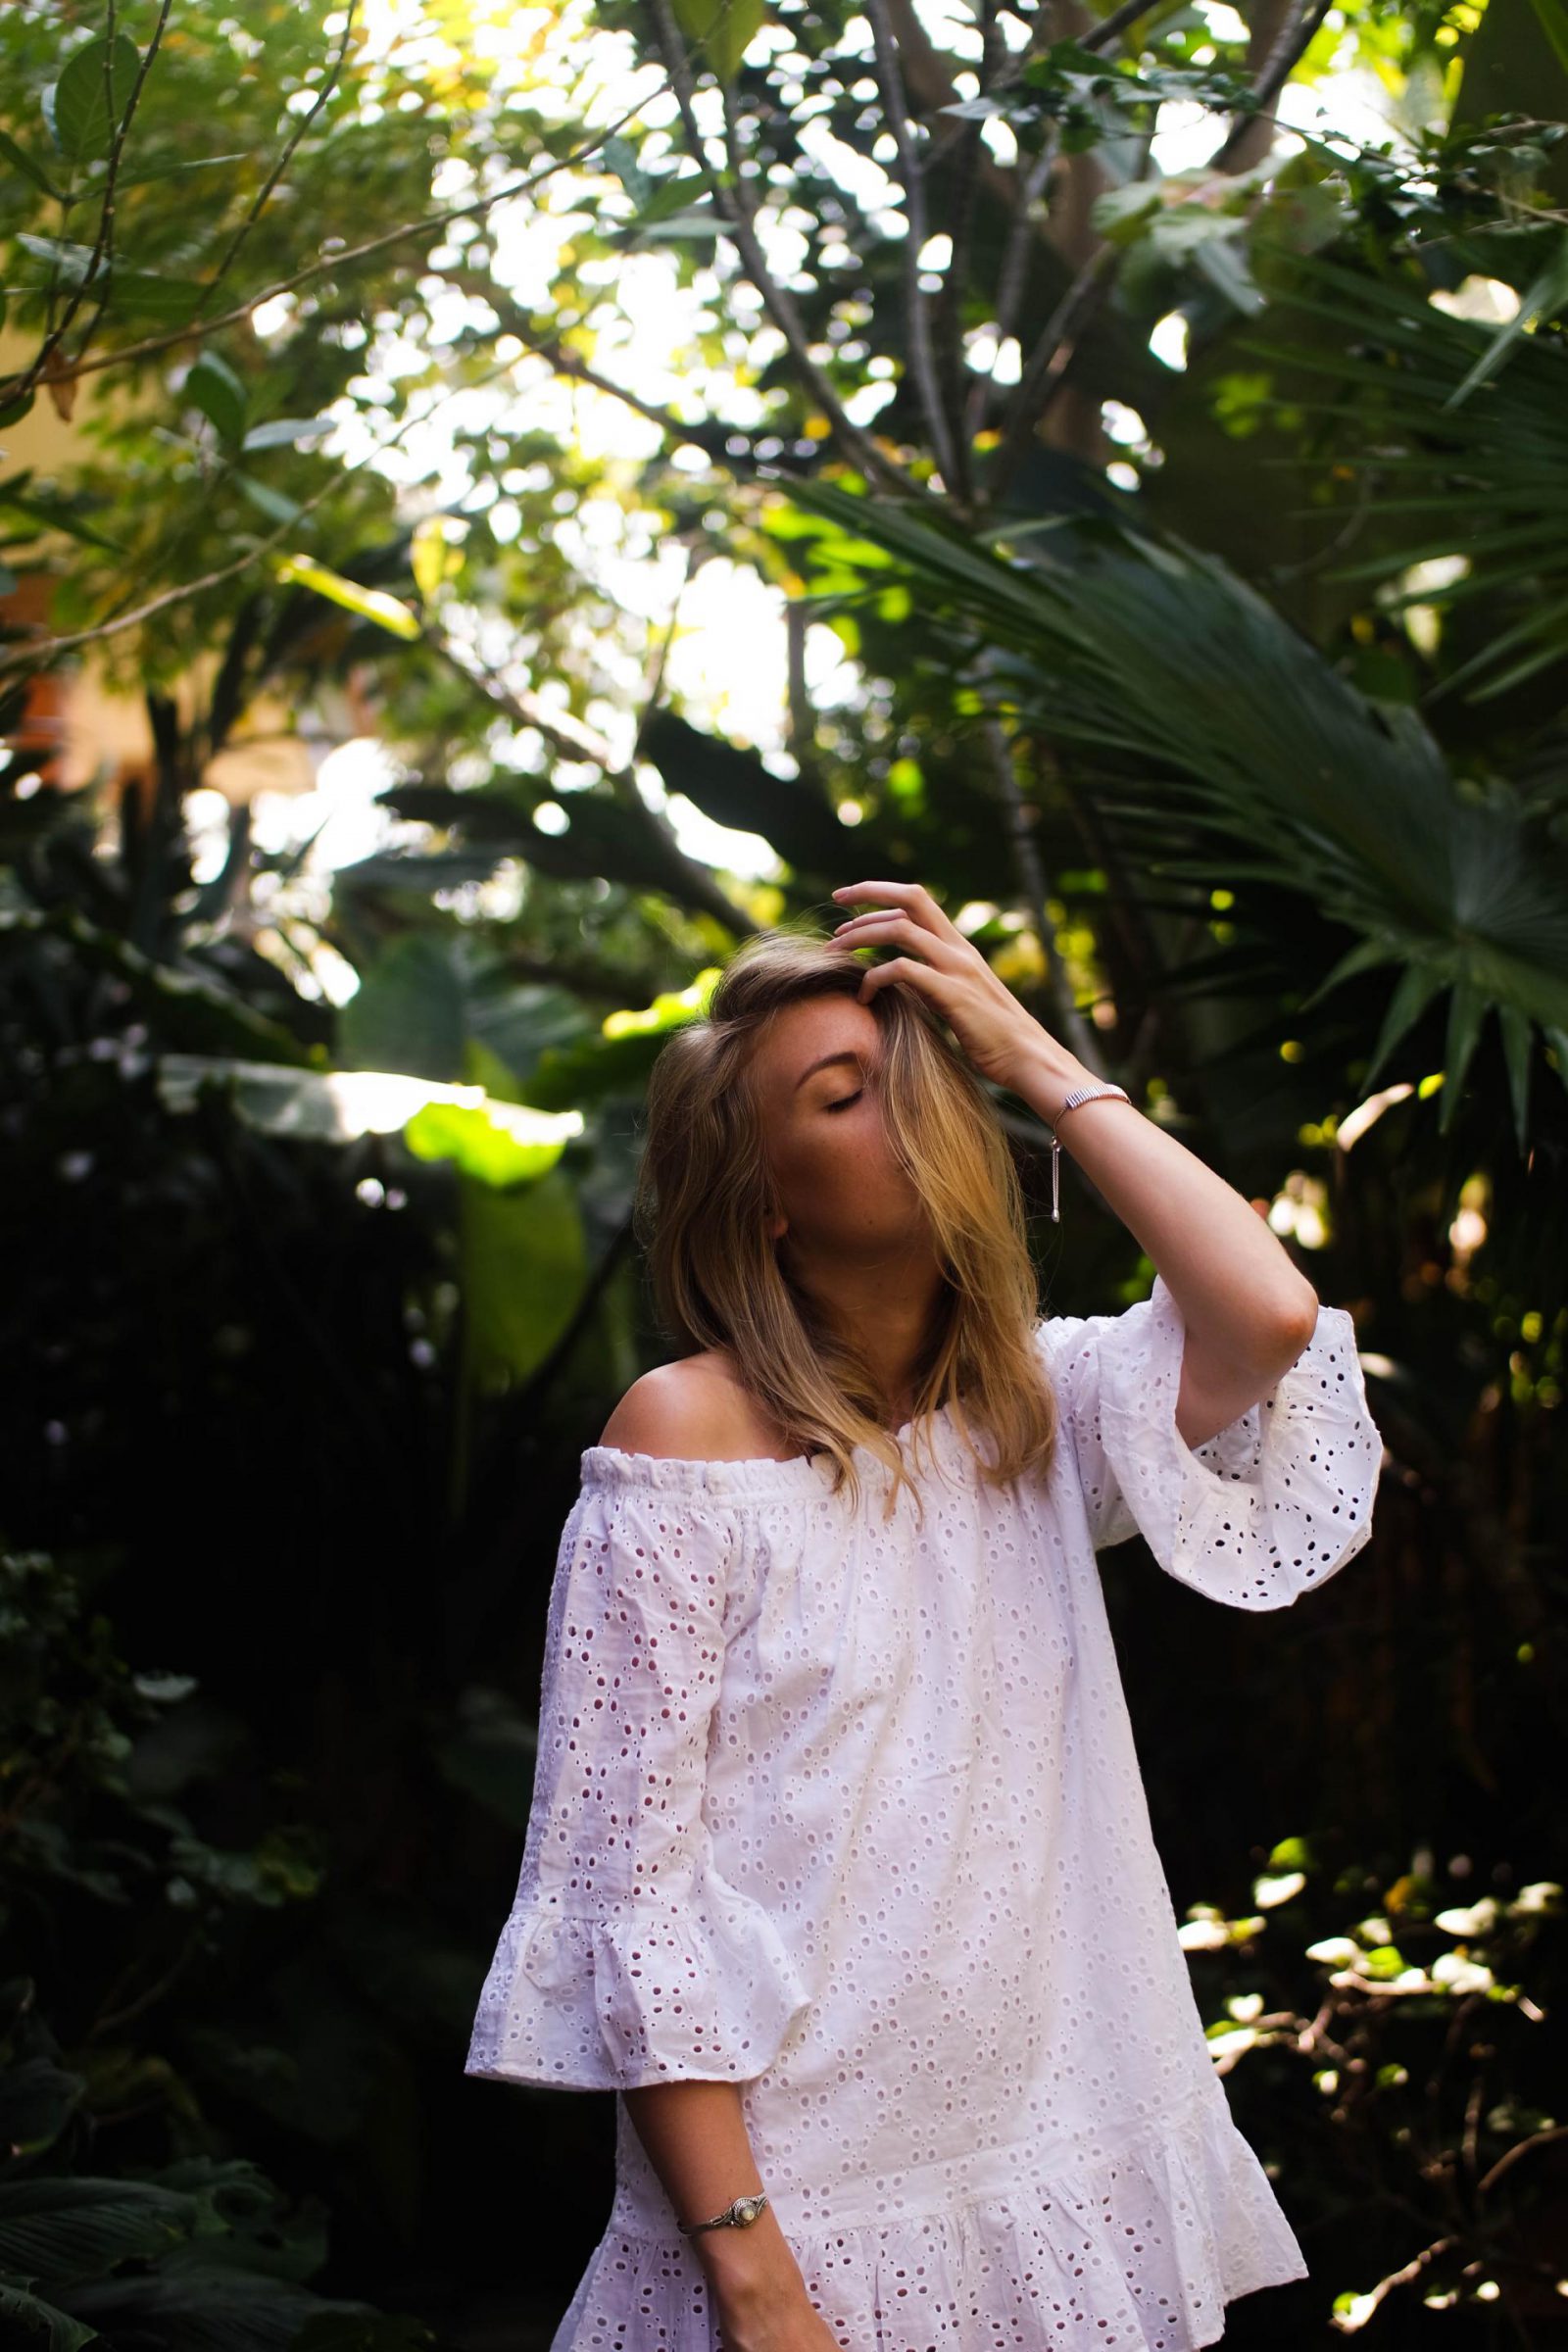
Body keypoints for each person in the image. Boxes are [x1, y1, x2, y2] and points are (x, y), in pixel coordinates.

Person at [464, 881, 1384, 2352]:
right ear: (764, 1195)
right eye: (841, 1094)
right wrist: (753, 2278)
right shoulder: (682, 1441)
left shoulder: (1041, 1405)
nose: (900, 1102)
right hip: (802, 2215)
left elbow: (1267, 1319)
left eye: (914, 1073)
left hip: (1052, 2171)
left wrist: (1025, 1050)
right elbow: (632, 1899)